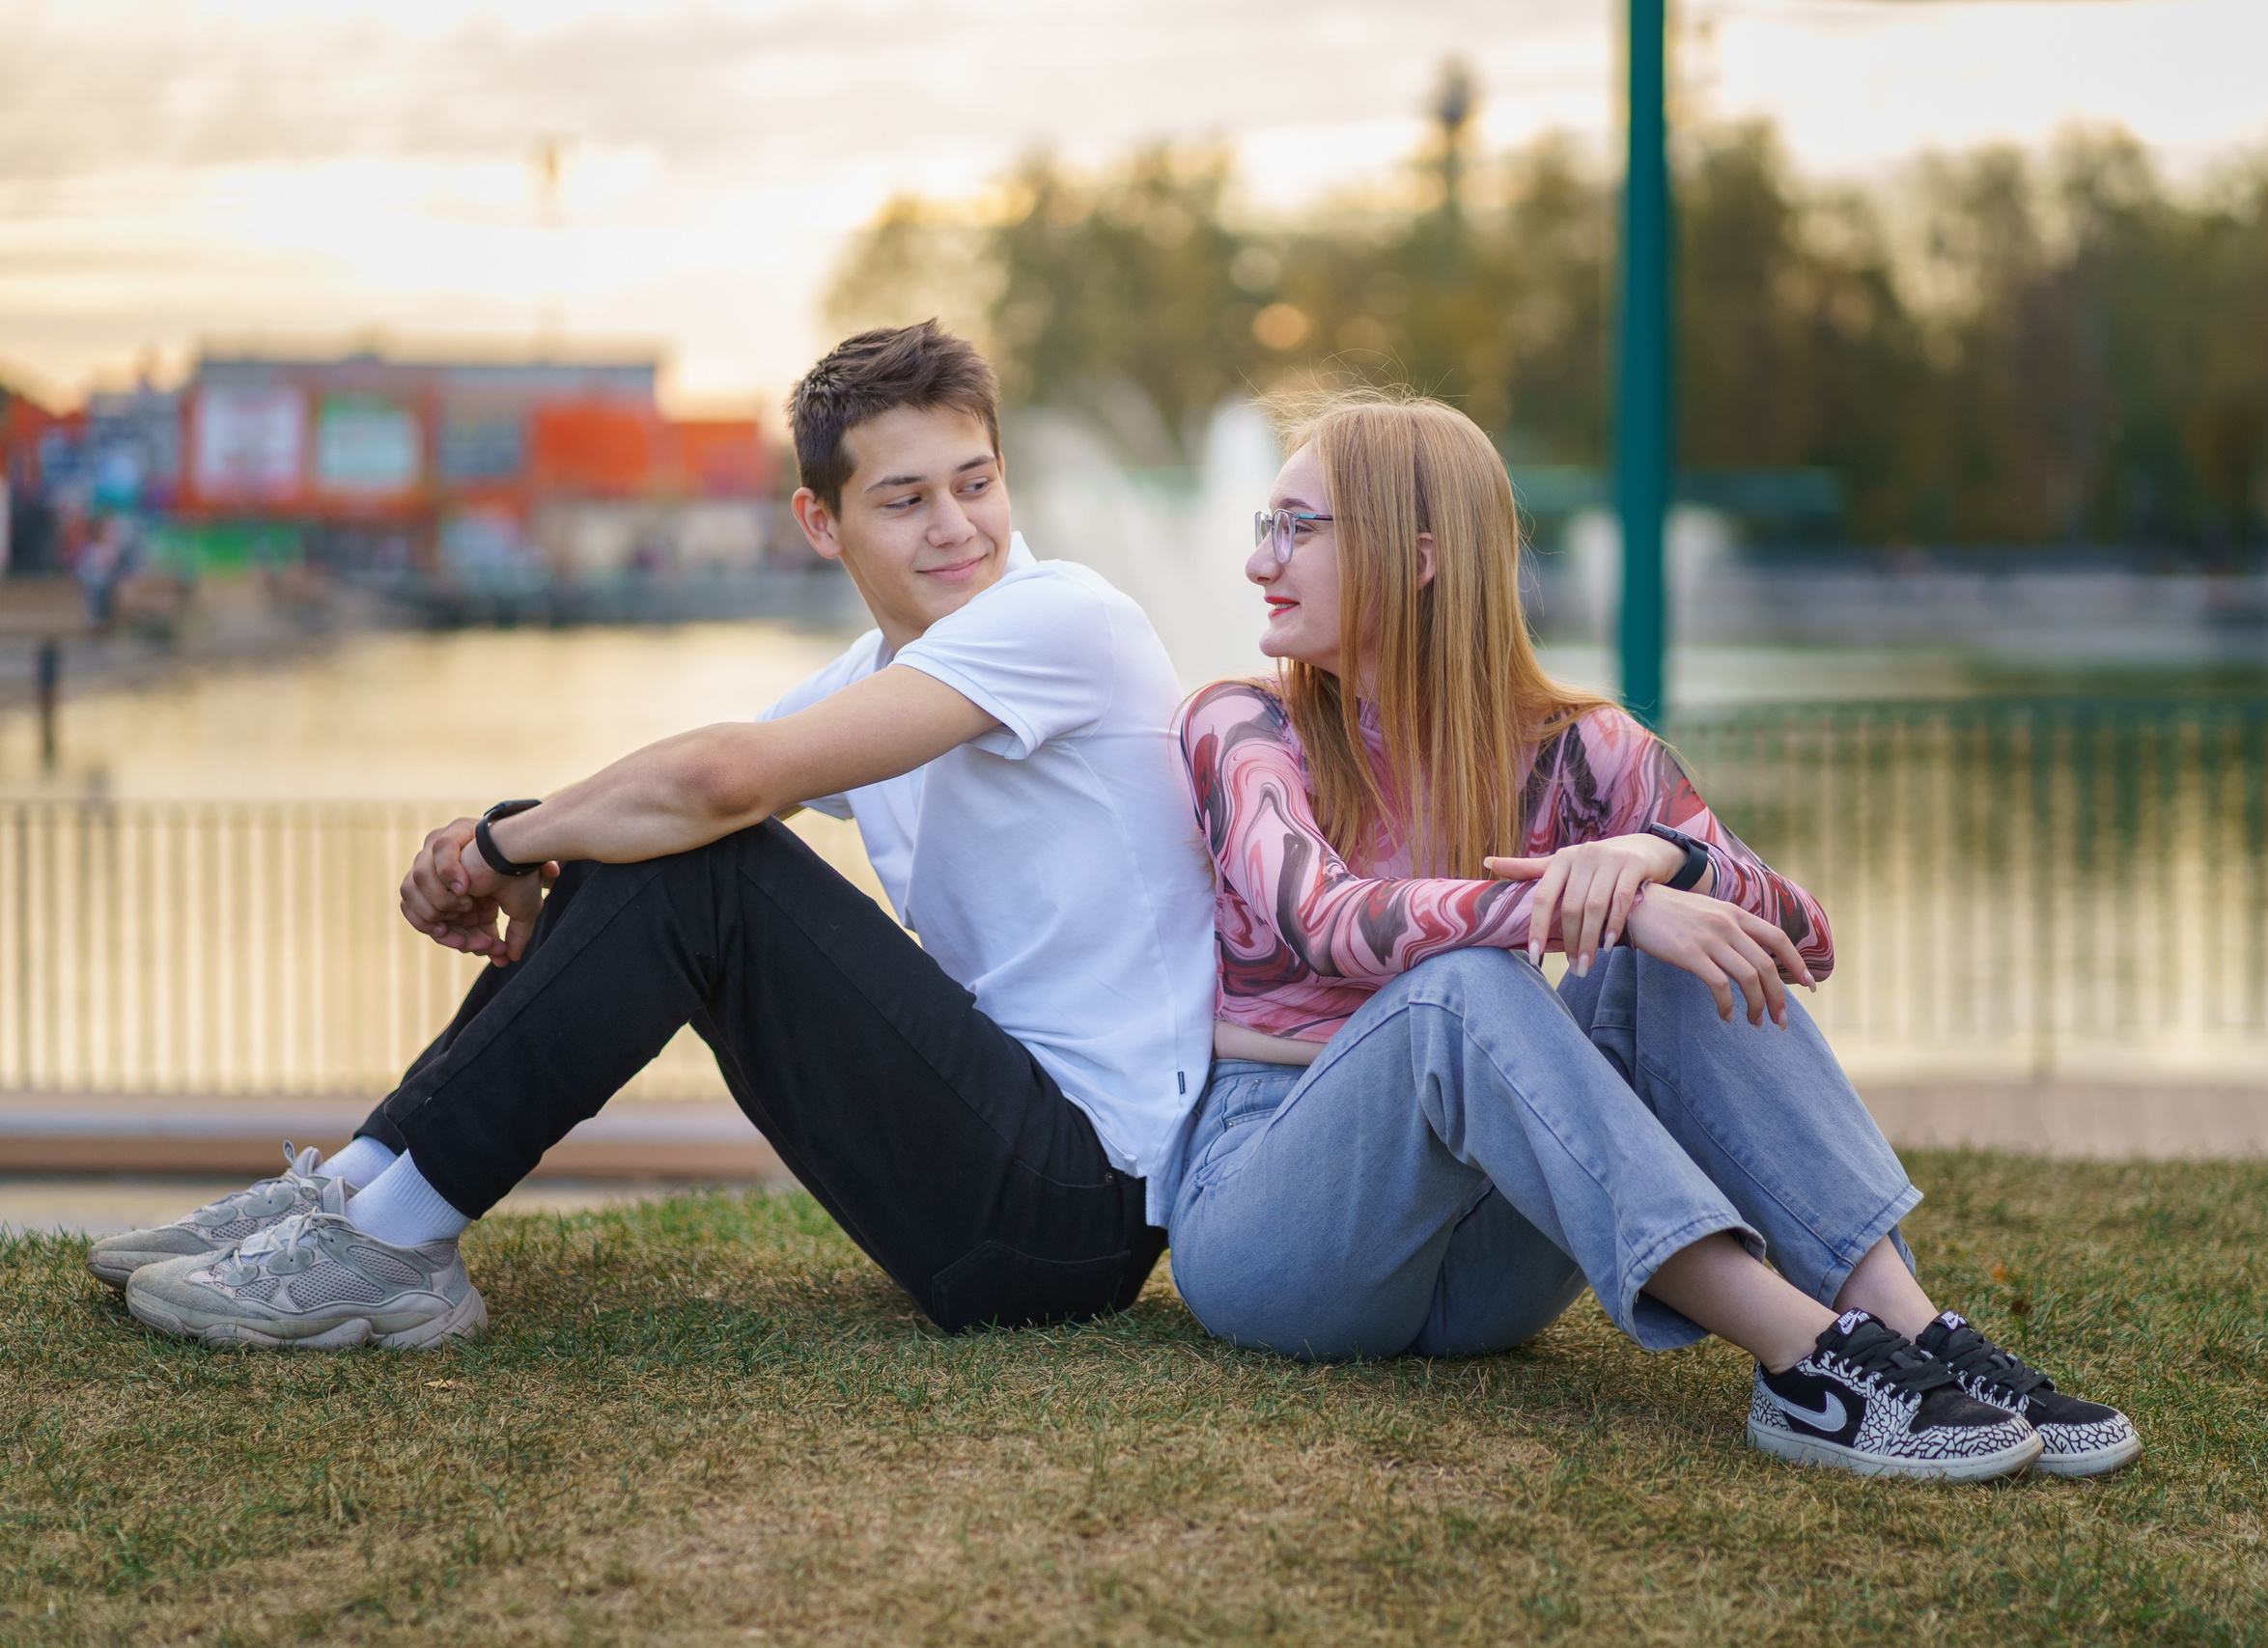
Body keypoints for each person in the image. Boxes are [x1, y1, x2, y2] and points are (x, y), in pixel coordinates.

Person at [94, 321, 1218, 1350]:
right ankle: (355, 1187)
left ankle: (391, 1246)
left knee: (705, 856)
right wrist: (523, 839)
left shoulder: (1061, 621)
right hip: (995, 1179)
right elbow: (666, 796)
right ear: (820, 521)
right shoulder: (887, 675)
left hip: (1078, 1212)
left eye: (976, 484)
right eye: (906, 498)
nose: (956, 526)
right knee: (658, 838)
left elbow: (720, 783)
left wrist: (500, 850)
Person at [1166, 391, 2141, 1481]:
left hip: (1483, 1266)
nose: (1263, 560)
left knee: (1680, 951)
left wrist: (1664, 864)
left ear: (1420, 554)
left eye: (1299, 527)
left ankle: (1912, 1333)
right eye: (1266, 524)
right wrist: (1615, 902)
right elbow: (1328, 921)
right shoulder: (1242, 724)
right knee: (1467, 986)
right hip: (1278, 1223)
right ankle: (1805, 1361)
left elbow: (1799, 939)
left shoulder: (1582, 750)